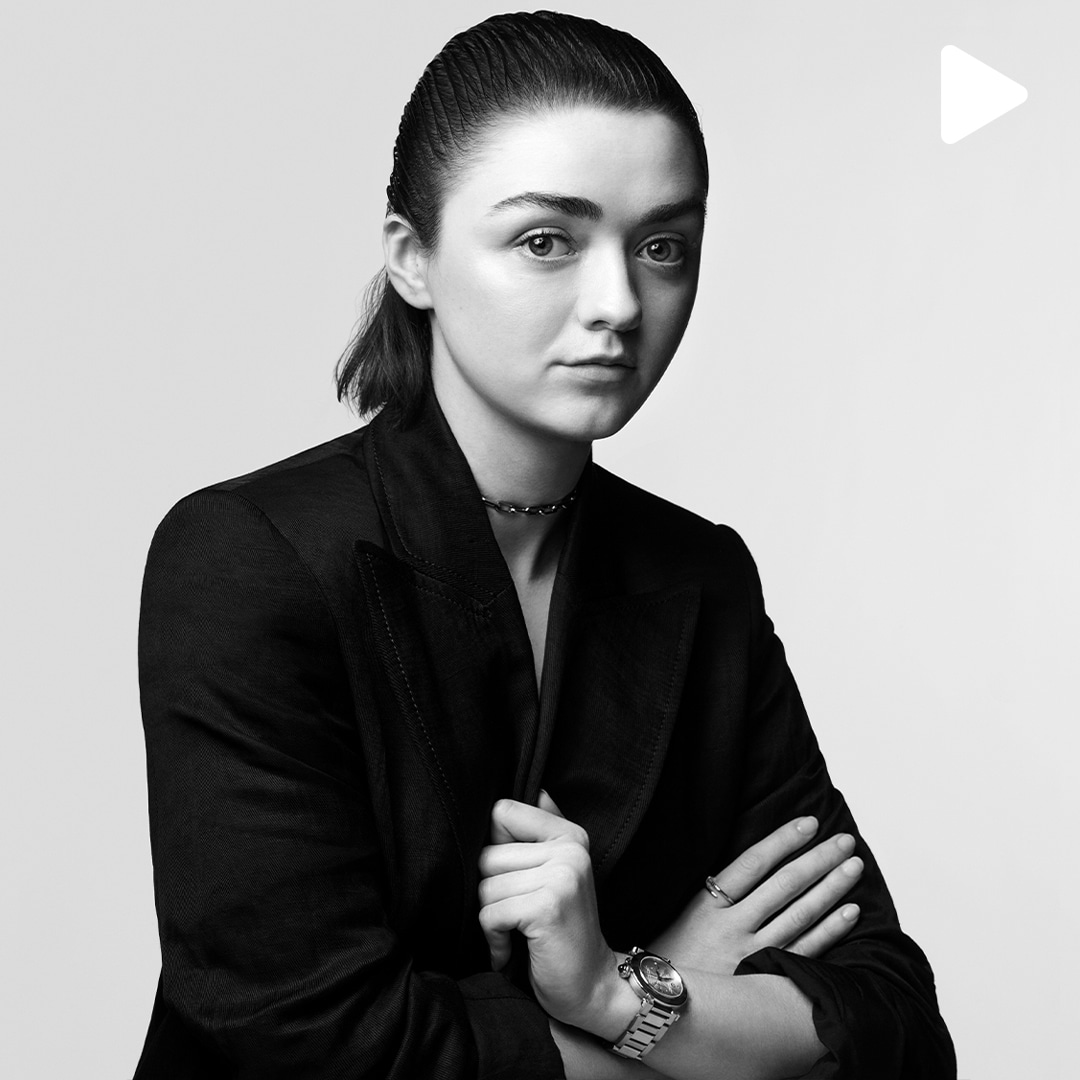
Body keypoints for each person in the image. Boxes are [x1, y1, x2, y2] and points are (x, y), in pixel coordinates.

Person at [133, 11, 955, 1079]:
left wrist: (617, 991)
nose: (619, 304)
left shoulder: (699, 576)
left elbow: (892, 1025)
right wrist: (690, 1019)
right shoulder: (250, 559)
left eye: (662, 247)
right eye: (546, 241)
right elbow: (306, 1045)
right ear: (412, 258)